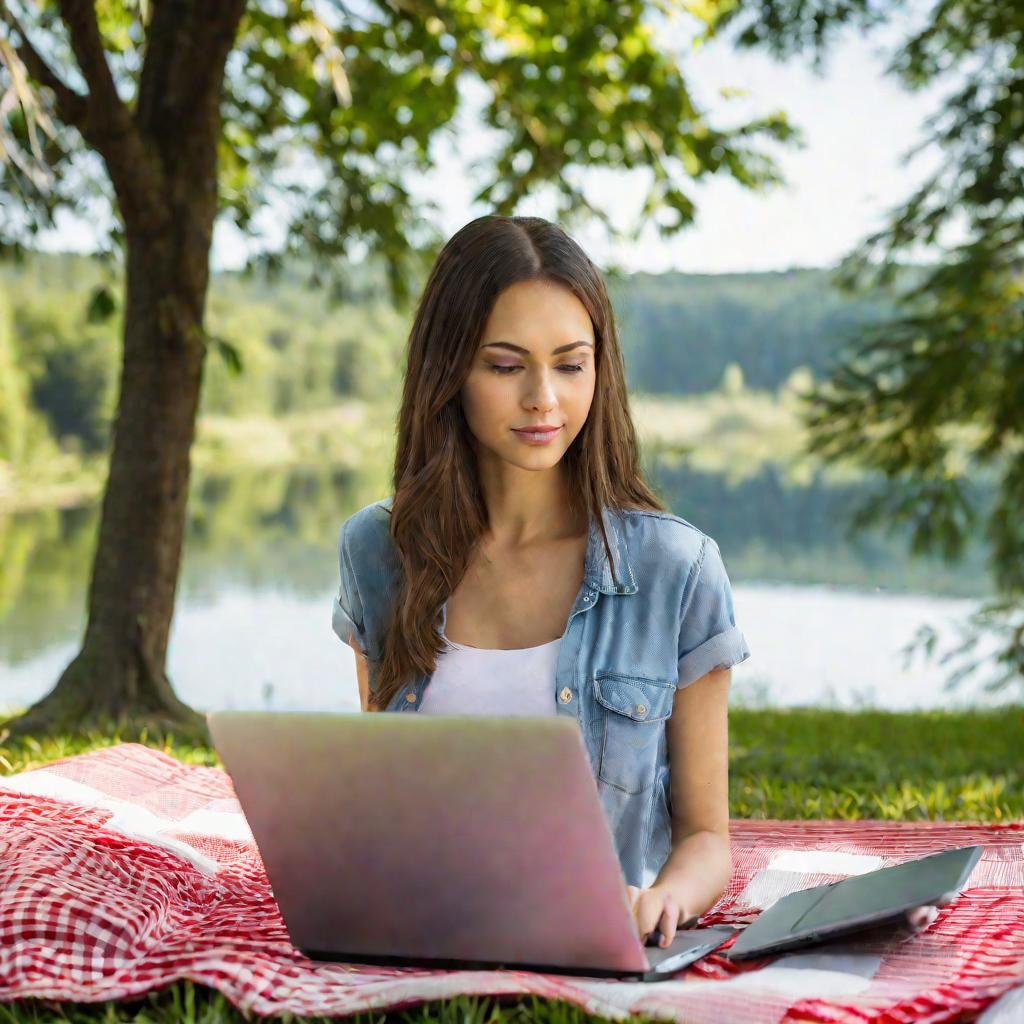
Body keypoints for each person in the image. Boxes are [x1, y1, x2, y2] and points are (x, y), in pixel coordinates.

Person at [331, 214, 751, 950]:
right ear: (449, 371)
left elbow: (707, 837)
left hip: (590, 944)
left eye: (570, 363)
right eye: (504, 365)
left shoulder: (675, 571)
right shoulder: (379, 551)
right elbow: (380, 798)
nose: (543, 399)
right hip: (422, 934)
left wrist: (662, 903)